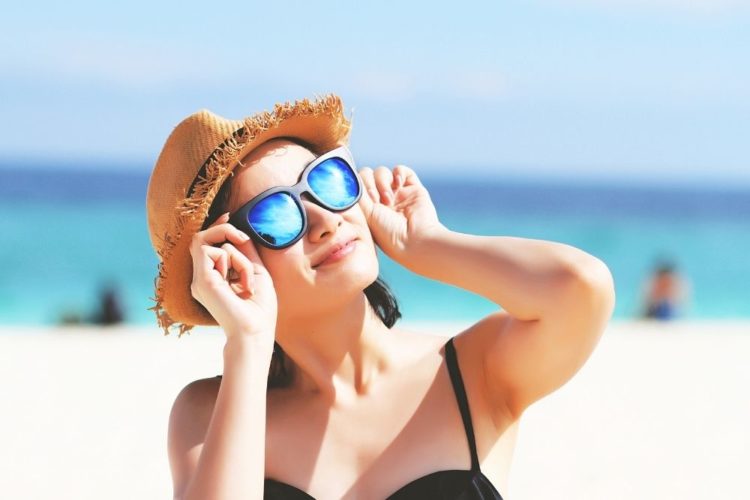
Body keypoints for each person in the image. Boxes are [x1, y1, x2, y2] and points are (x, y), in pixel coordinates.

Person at [146, 95, 615, 499]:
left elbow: (582, 287)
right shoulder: (208, 415)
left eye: (326, 181)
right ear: (230, 263)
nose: (325, 220)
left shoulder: (471, 372)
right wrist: (246, 341)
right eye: (276, 213)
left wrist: (427, 244)